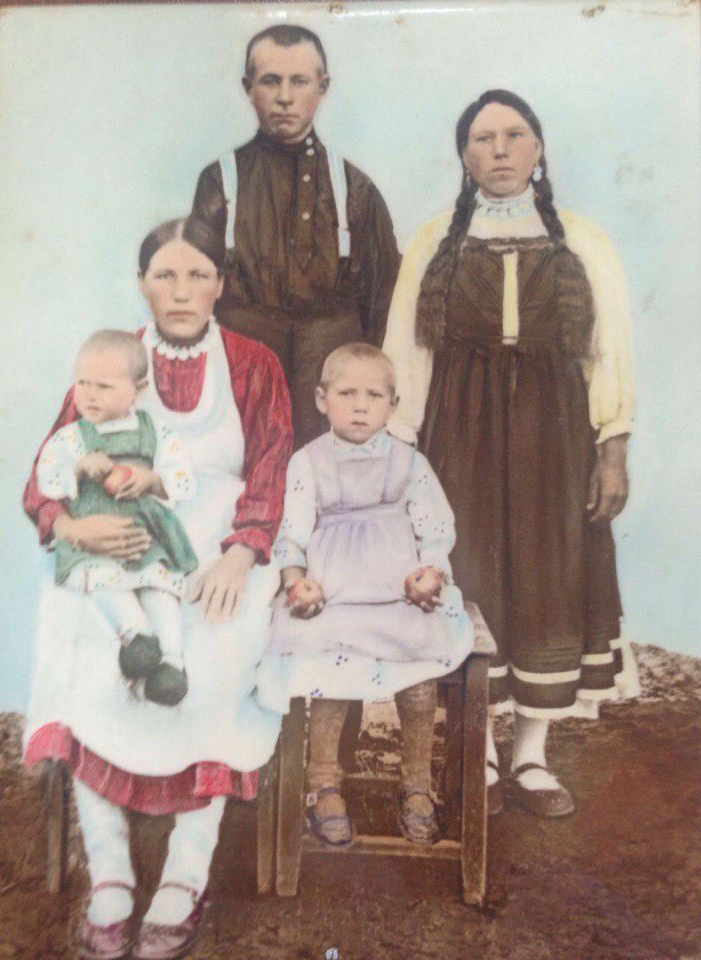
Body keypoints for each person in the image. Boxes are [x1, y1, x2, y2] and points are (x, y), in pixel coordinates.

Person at [22, 216, 292, 960]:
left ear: (220, 284)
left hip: (218, 546)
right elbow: (46, 473)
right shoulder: (111, 361)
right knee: (78, 622)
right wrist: (72, 527)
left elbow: (271, 466)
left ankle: (184, 874)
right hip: (115, 540)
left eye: (197, 275)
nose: (181, 291)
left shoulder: (254, 363)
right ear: (141, 282)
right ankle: (109, 872)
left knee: (215, 640)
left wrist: (242, 553)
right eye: (165, 275)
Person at [383, 90, 639, 818]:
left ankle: (531, 756)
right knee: (469, 573)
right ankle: (483, 757)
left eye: (514, 135)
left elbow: (609, 351)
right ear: (463, 156)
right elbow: (405, 356)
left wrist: (612, 450)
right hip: (458, 433)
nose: (499, 149)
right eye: (482, 138)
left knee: (548, 579)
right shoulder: (433, 241)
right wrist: (400, 461)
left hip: (555, 437)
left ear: (538, 148)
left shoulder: (582, 240)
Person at [258, 343, 474, 846]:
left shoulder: (410, 463)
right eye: (347, 394)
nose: (360, 406)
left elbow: (435, 530)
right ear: (321, 399)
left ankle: (416, 784)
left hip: (397, 594)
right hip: (334, 597)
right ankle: (323, 784)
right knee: (330, 673)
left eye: (374, 396)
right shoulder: (307, 463)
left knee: (418, 676)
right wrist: (296, 581)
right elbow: (291, 534)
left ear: (393, 404)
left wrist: (430, 573)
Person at [191, 24, 401, 448]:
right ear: (248, 88)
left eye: (299, 81)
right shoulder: (221, 180)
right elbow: (196, 293)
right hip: (246, 375)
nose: (284, 96)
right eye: (271, 81)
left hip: (329, 382)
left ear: (322, 88)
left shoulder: (354, 187)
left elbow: (382, 302)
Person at [36, 330, 198, 706]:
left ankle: (172, 660)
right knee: (106, 579)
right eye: (82, 383)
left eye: (104, 386)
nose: (89, 395)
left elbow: (184, 478)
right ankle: (136, 634)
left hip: (144, 533)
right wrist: (78, 468)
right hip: (96, 537)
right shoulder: (72, 436)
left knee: (160, 585)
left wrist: (152, 479)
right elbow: (48, 479)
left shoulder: (154, 430)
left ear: (138, 390)